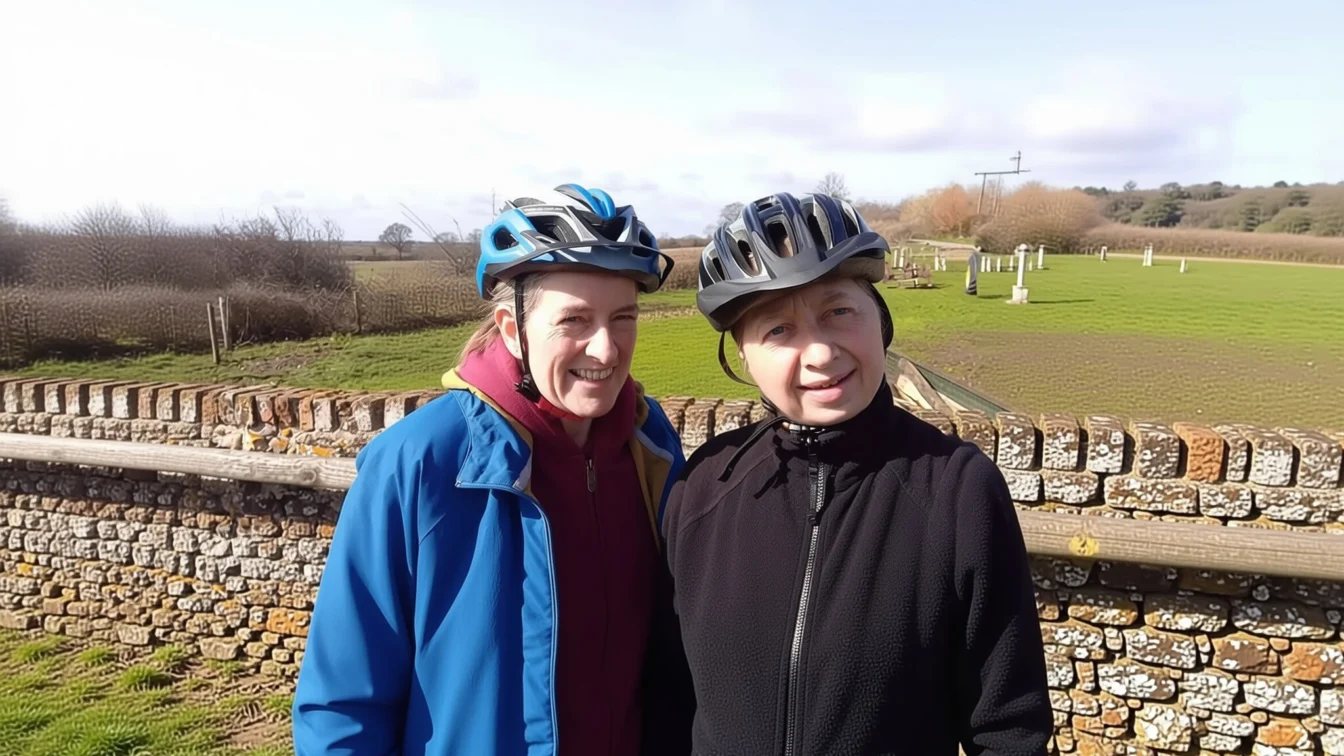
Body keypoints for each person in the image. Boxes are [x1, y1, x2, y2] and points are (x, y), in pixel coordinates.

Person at [292, 183, 687, 756]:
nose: (606, 349)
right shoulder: (418, 461)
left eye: (622, 317)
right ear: (511, 328)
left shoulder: (652, 446)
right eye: (574, 320)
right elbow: (342, 703)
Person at [657, 192, 1053, 754]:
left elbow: (1010, 730)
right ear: (742, 355)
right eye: (777, 330)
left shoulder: (957, 490)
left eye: (838, 312)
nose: (820, 353)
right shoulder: (705, 487)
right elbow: (669, 697)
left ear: (880, 320)